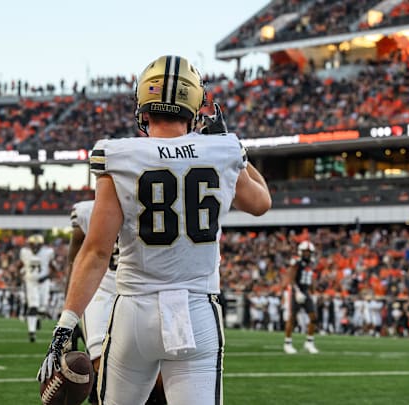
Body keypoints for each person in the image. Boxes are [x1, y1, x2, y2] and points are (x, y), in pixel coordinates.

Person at [37, 55, 271, 404]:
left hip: (135, 312)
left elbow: (98, 251)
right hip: (197, 311)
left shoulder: (119, 155)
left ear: (144, 106)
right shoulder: (222, 150)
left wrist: (65, 326)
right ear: (195, 104)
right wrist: (235, 151)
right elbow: (261, 203)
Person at [69, 200, 166, 405]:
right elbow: (76, 263)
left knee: (161, 382)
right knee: (104, 369)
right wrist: (69, 314)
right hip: (102, 291)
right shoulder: (86, 211)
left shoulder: (153, 202)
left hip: (142, 291)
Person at [282, 240, 320, 354]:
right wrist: (297, 291)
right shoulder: (296, 262)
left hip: (306, 291)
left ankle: (309, 342)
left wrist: (314, 292)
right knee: (292, 317)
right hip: (295, 291)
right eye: (305, 252)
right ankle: (287, 343)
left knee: (314, 317)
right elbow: (291, 277)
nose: (307, 254)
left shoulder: (311, 263)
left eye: (309, 252)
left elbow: (311, 279)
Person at [18, 233, 56, 342]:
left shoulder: (47, 252)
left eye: (37, 245)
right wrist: (19, 277)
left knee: (42, 308)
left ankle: (37, 319)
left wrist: (47, 277)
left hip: (44, 282)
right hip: (30, 282)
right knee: (33, 306)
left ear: (41, 245)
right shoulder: (24, 253)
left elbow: (53, 268)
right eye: (32, 245)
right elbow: (19, 265)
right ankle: (32, 332)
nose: (34, 247)